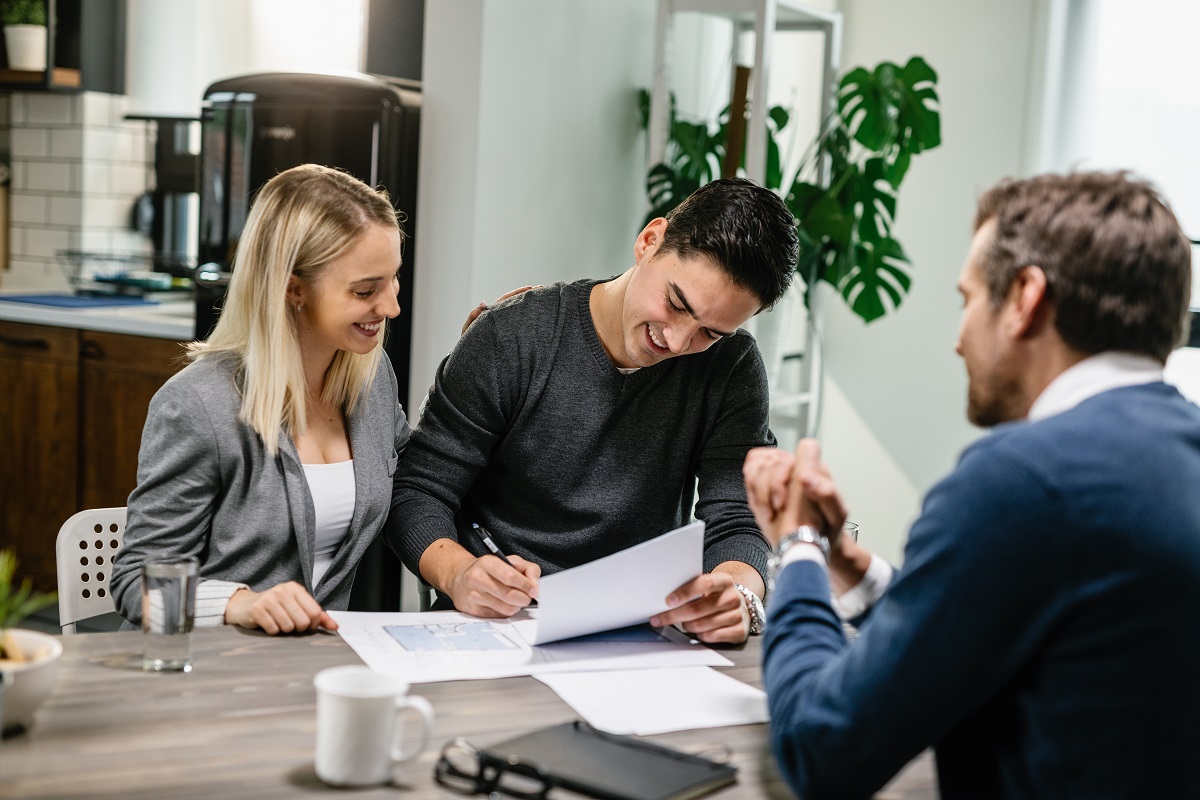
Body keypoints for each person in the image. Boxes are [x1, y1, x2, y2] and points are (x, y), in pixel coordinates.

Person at [743, 171, 1200, 798]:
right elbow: (1007, 629)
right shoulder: (1173, 457)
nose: (959, 341)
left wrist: (797, 546)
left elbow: (821, 748)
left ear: (1024, 299)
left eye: (968, 299)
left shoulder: (1022, 478)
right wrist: (850, 564)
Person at [387, 177, 799, 643]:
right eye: (675, 303)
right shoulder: (512, 337)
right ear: (650, 241)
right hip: (499, 626)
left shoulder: (732, 367)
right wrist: (460, 573)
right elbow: (418, 490)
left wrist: (737, 593)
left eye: (710, 333)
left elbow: (738, 517)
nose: (677, 341)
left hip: (644, 633)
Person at [112, 164, 410, 635]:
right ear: (293, 288)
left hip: (311, 663)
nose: (391, 306)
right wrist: (240, 604)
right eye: (365, 290)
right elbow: (136, 585)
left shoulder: (371, 380)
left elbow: (416, 482)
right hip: (208, 664)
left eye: (393, 280)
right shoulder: (198, 404)